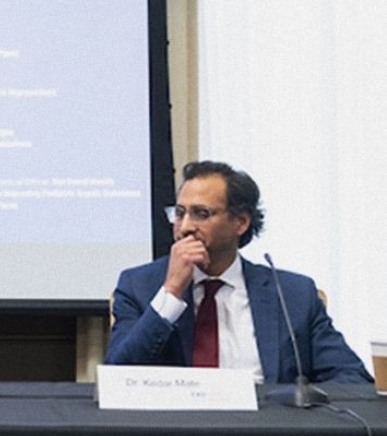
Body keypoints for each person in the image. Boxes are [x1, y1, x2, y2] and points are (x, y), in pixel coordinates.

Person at [106, 160, 371, 384]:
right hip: (175, 435)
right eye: (179, 213)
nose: (185, 227)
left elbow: (351, 378)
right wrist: (171, 293)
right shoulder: (139, 286)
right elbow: (118, 377)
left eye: (201, 214)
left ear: (241, 222)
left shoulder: (292, 294)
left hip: (266, 435)